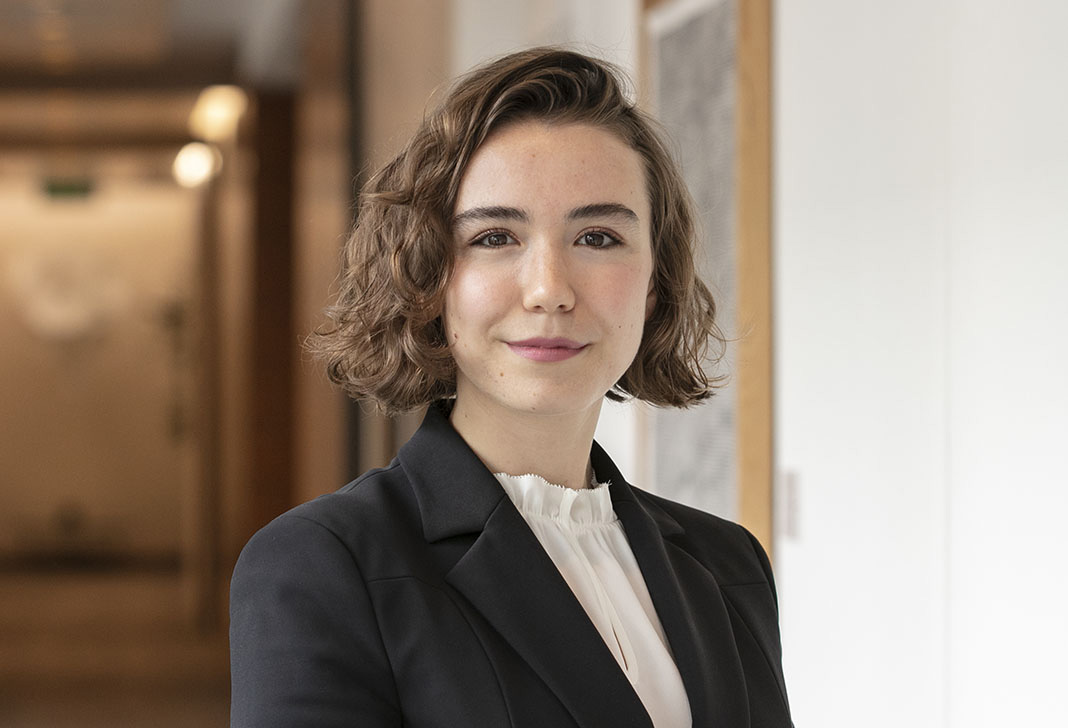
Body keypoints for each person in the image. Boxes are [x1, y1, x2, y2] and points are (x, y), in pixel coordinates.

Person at [229, 47, 792, 728]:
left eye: (598, 237)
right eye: (495, 237)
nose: (549, 289)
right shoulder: (323, 565)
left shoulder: (729, 563)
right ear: (429, 277)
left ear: (654, 280)